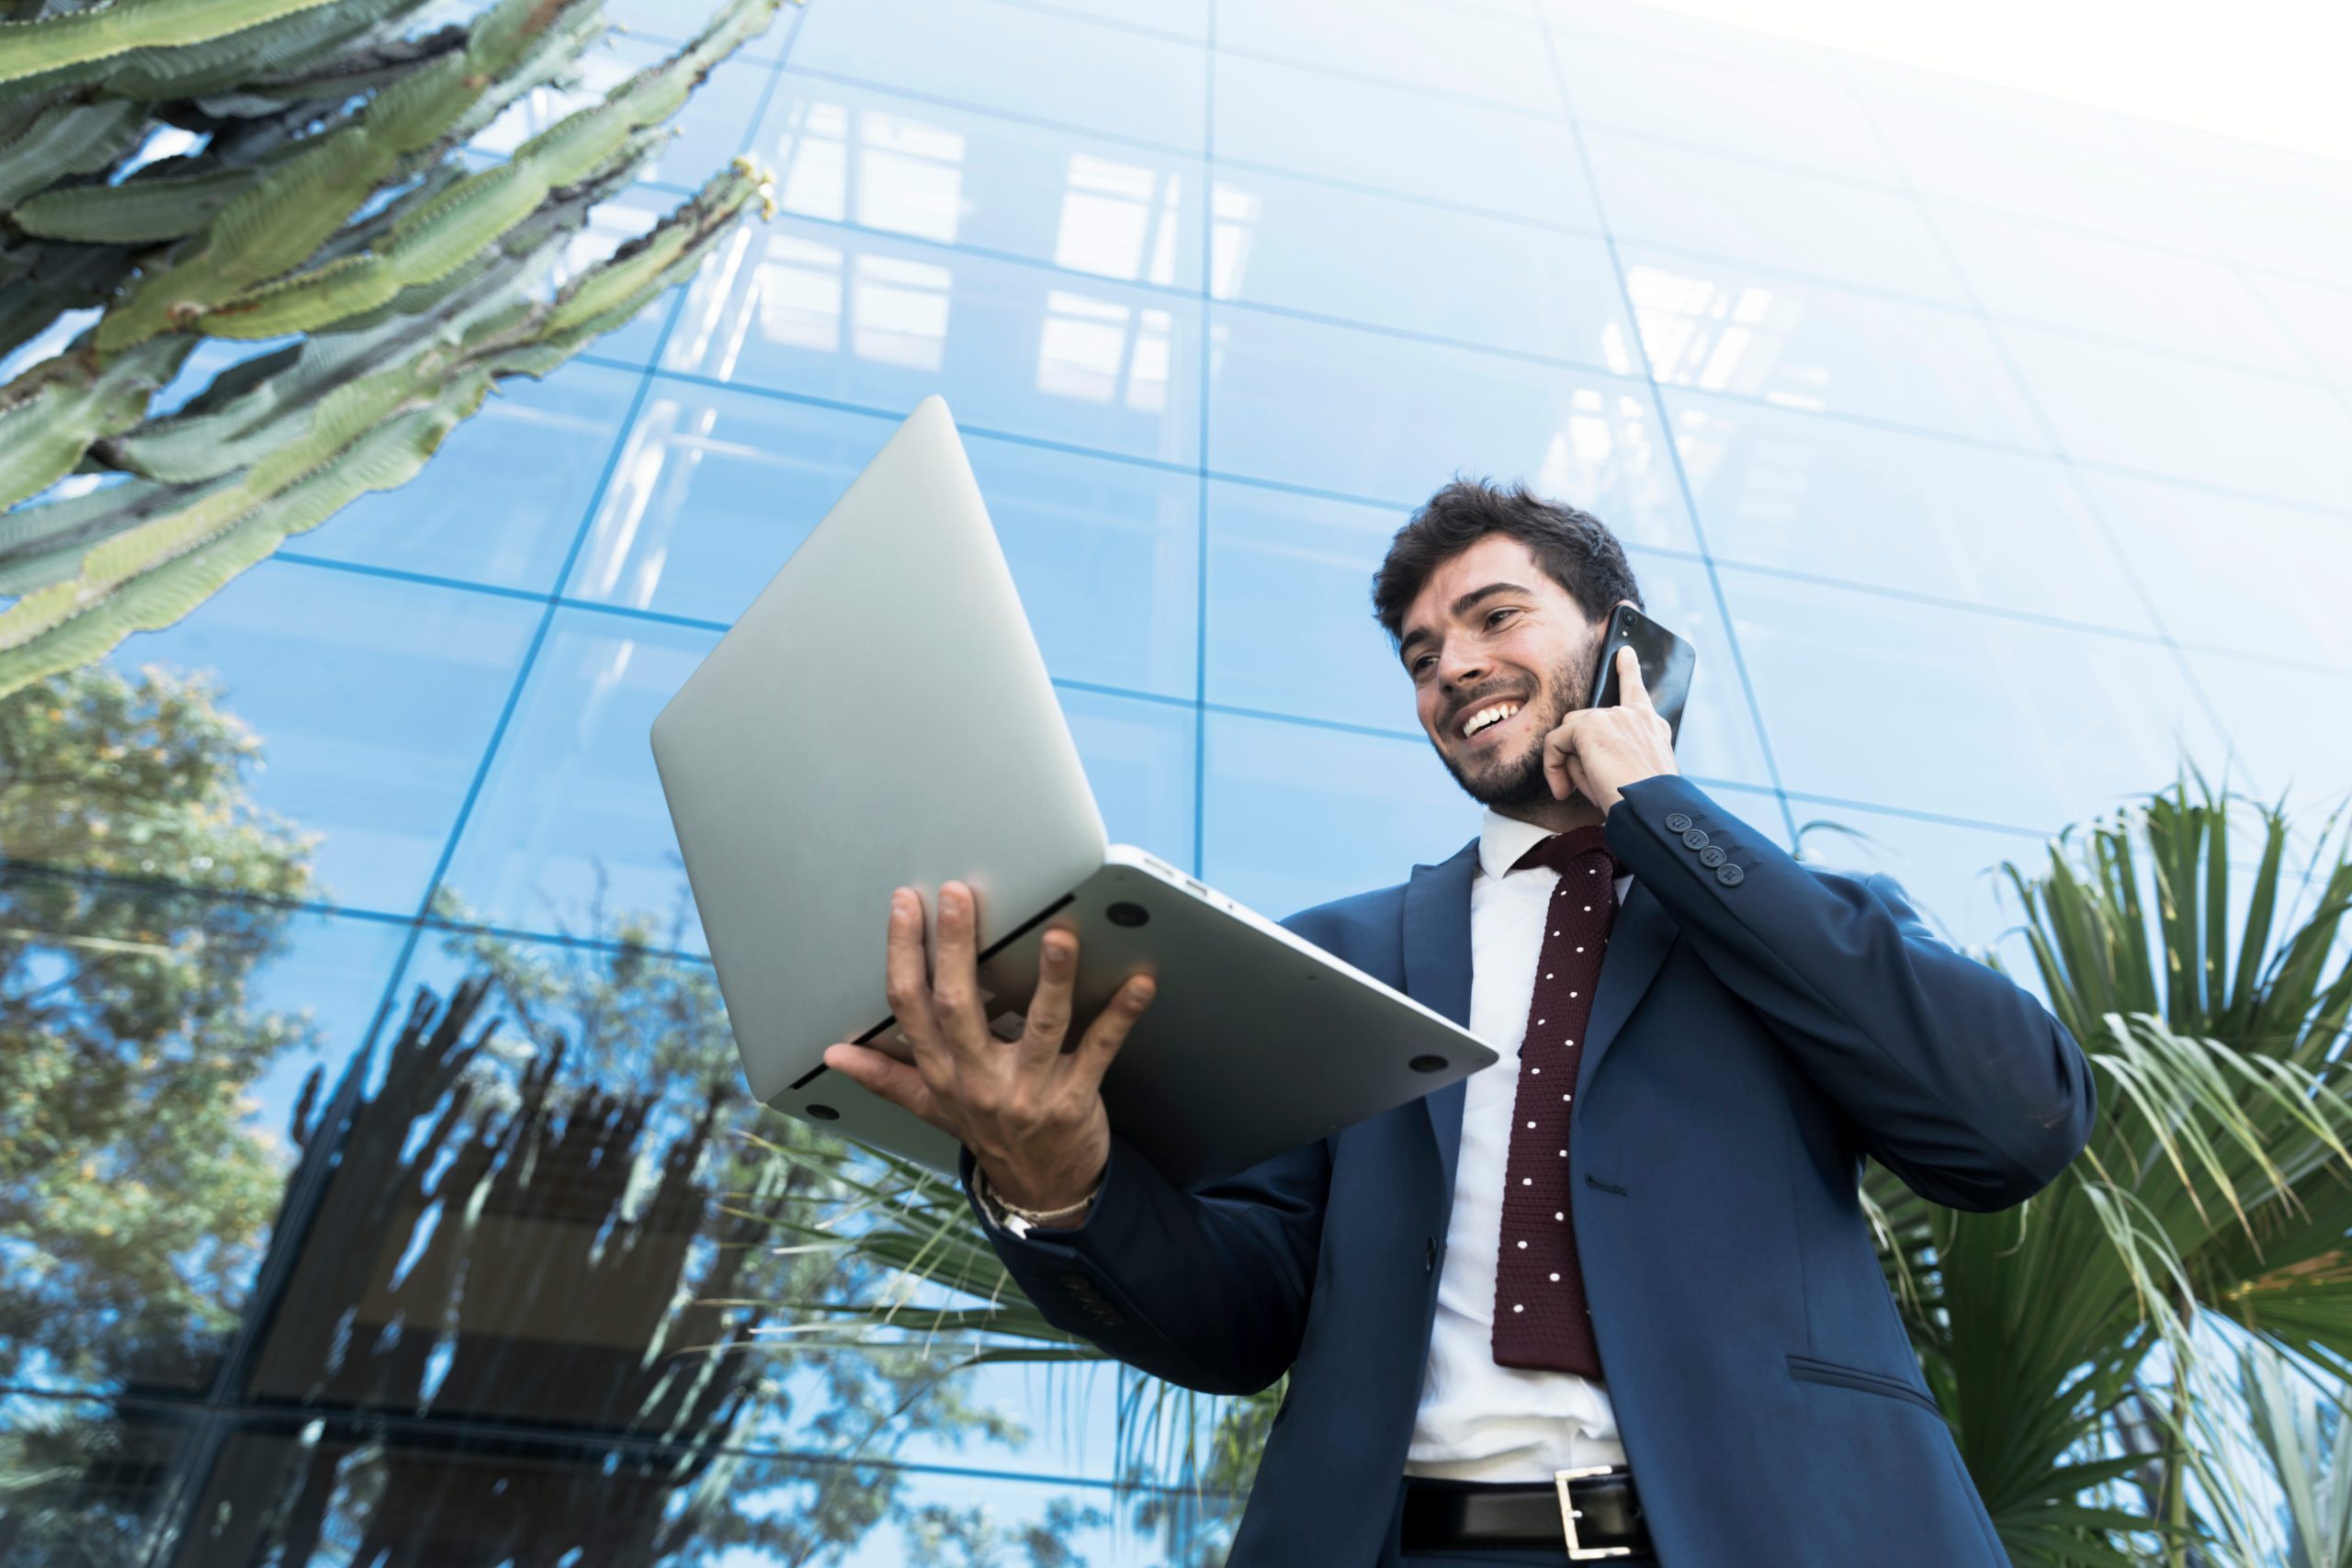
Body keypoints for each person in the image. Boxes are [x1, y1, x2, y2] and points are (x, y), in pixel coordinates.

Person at [823, 479, 2097, 1567]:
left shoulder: (1783, 923)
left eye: (1495, 617)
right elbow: (1241, 1317)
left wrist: (1660, 809)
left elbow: (2012, 1125)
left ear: (1621, 643)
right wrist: (1060, 1188)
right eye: (1422, 655)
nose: (1453, 667)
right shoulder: (1338, 960)